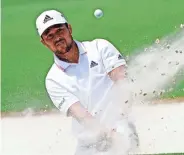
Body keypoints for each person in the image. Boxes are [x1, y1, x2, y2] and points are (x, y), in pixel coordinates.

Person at [35, 9, 139, 155]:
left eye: (59, 31)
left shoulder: (100, 47)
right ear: (44, 42)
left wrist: (121, 121)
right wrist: (110, 135)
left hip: (122, 127)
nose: (57, 38)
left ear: (69, 29)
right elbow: (82, 116)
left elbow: (122, 81)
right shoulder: (53, 79)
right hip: (89, 144)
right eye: (50, 36)